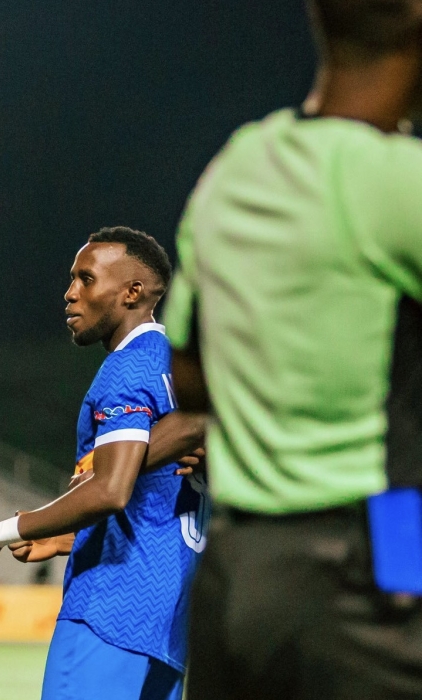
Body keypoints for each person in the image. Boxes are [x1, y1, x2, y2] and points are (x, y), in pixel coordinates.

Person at [161, 2, 422, 698]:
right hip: (370, 566)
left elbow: (188, 377)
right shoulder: (396, 179)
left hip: (237, 577)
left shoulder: (237, 165)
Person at [0, 227, 208, 700]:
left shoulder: (127, 367)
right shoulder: (176, 370)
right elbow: (151, 502)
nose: (70, 294)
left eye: (86, 279)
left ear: (133, 292)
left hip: (110, 610)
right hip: (167, 621)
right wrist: (62, 537)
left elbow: (111, 488)